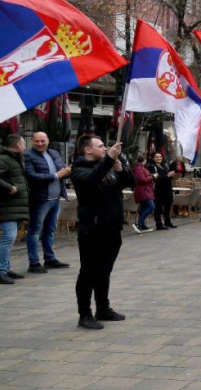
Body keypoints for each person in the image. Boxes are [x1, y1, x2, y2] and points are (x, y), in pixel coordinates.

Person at [71, 136, 134, 329]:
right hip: (93, 228)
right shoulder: (79, 169)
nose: (105, 148)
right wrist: (108, 162)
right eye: (100, 146)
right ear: (88, 150)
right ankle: (85, 314)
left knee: (104, 271)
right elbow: (90, 182)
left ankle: (103, 308)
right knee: (88, 272)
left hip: (111, 227)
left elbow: (130, 183)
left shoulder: (106, 168)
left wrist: (121, 170)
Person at [23, 131, 71, 272]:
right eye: (37, 141)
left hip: (55, 198)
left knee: (50, 230)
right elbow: (32, 176)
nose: (40, 143)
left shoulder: (53, 153)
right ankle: (34, 263)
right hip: (40, 200)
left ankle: (49, 259)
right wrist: (57, 175)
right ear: (32, 141)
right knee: (34, 231)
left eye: (42, 141)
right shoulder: (28, 156)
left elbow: (63, 169)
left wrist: (68, 171)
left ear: (48, 140)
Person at [0, 135, 29, 284]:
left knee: (10, 238)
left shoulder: (14, 158)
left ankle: (5, 268)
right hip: (7, 205)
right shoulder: (3, 159)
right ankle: (0, 272)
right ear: (18, 145)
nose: (25, 147)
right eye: (24, 144)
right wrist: (10, 188)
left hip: (14, 205)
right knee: (8, 238)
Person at [148, 153, 176, 230]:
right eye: (156, 157)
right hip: (159, 189)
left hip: (168, 188)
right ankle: (159, 224)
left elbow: (167, 177)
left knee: (168, 206)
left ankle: (168, 222)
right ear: (153, 158)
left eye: (160, 157)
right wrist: (167, 176)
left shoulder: (164, 165)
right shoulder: (152, 167)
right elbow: (156, 178)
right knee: (158, 207)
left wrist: (171, 176)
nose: (159, 158)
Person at [131, 154, 155, 233]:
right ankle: (139, 224)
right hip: (143, 191)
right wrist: (152, 177)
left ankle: (142, 225)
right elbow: (142, 179)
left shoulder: (141, 168)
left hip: (145, 190)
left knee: (144, 207)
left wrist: (151, 176)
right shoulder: (139, 168)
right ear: (144, 160)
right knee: (151, 206)